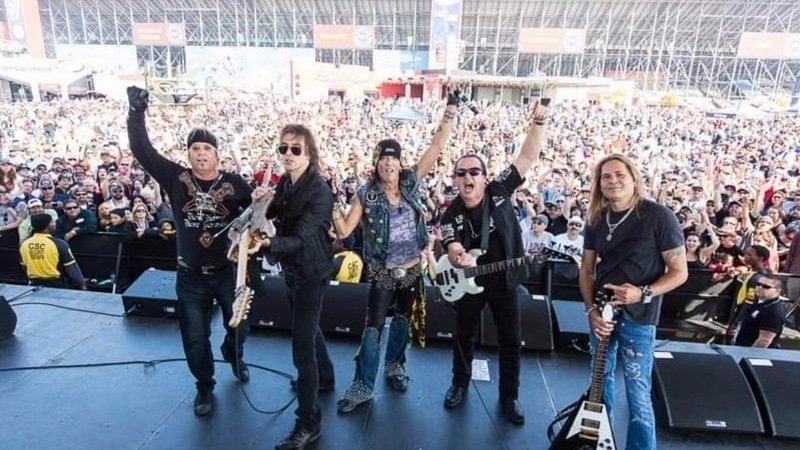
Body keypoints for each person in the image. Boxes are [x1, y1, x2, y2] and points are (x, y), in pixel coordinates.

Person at [126, 86, 253, 417]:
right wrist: (136, 113)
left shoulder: (236, 183)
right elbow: (142, 149)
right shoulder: (175, 177)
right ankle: (204, 385)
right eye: (195, 148)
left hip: (227, 273)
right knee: (195, 337)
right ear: (188, 153)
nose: (200, 153)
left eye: (206, 148)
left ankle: (233, 352)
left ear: (217, 154)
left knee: (240, 325)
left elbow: (256, 216)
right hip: (190, 276)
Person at [330, 92, 459, 413]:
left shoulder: (412, 182)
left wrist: (450, 112)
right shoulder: (366, 194)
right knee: (373, 327)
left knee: (403, 320)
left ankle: (395, 366)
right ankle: (362, 386)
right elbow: (344, 231)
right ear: (376, 163)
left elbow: (436, 147)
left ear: (400, 163)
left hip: (412, 270)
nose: (389, 163)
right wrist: (331, 205)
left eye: (394, 158)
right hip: (383, 273)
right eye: (383, 158)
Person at [438, 101, 549, 425]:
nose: (468, 177)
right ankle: (459, 384)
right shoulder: (451, 214)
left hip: (505, 281)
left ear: (485, 177)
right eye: (461, 173)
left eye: (474, 172)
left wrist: (538, 124)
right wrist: (457, 255)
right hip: (470, 283)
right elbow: (451, 243)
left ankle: (509, 395)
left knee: (511, 340)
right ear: (455, 180)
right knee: (464, 336)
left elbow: (527, 156)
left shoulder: (500, 189)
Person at [579, 153, 688, 450]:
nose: (613, 181)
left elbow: (679, 272)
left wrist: (643, 293)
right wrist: (590, 311)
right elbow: (586, 269)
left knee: (638, 393)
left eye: (619, 175)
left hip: (640, 318)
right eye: (606, 176)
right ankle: (598, 443)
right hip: (602, 313)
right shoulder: (596, 218)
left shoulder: (658, 216)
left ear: (633, 178)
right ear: (599, 184)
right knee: (600, 384)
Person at [250, 124, 335, 450]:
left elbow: (299, 238)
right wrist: (263, 202)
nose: (287, 154)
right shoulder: (287, 182)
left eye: (295, 149)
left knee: (302, 347)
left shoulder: (319, 192)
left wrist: (266, 243)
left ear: (309, 154)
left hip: (311, 272)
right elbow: (278, 210)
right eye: (283, 148)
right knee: (308, 328)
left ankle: (309, 424)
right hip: (293, 269)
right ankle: (325, 378)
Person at [19, 213, 87, 290]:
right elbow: (72, 269)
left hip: (34, 285)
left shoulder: (25, 244)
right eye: (52, 221)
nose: (55, 224)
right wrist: (83, 286)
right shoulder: (59, 244)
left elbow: (24, 266)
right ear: (48, 225)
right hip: (56, 286)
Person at [734, 272, 785, 348]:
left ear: (777, 290)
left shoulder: (773, 311)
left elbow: (764, 340)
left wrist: (748, 354)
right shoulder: (760, 303)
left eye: (766, 286)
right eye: (758, 284)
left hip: (750, 352)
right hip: (740, 347)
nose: (760, 287)